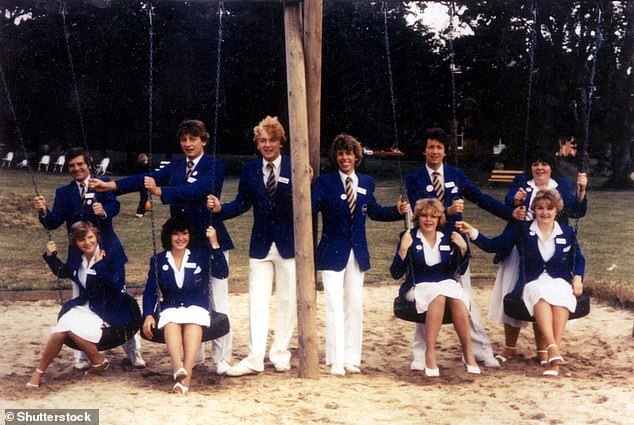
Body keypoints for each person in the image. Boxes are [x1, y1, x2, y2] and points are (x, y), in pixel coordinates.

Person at [90, 120, 233, 375]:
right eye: (184, 140)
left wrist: (162, 192)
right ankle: (194, 356)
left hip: (209, 238)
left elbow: (198, 190)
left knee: (217, 300)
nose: (188, 144)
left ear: (203, 140)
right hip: (183, 240)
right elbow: (146, 179)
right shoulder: (177, 165)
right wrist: (110, 186)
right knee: (189, 296)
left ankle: (221, 359)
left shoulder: (215, 166)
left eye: (193, 139)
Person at [405, 127, 521, 369]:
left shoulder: (456, 175)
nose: (434, 152)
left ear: (445, 151)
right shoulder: (414, 178)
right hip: (426, 245)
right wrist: (446, 211)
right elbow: (419, 211)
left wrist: (510, 214)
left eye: (439, 147)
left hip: (454, 247)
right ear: (424, 151)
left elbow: (481, 198)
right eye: (430, 147)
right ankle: (421, 353)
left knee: (464, 297)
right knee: (425, 297)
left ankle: (479, 350)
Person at [33, 147, 144, 369]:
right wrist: (43, 210)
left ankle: (134, 352)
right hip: (79, 258)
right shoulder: (64, 193)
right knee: (81, 303)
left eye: (80, 164)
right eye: (72, 166)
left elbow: (115, 207)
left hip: (108, 254)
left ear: (88, 165)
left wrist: (103, 210)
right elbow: (53, 221)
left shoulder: (102, 183)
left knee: (117, 302)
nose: (76, 169)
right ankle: (82, 357)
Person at [457, 189, 585, 376]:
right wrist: (473, 232)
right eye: (540, 208)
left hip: (558, 280)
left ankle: (553, 359)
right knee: (539, 294)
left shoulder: (566, 232)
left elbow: (578, 259)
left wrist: (578, 278)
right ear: (534, 210)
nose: (545, 213)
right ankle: (553, 349)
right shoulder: (523, 229)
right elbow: (494, 245)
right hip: (532, 282)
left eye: (549, 209)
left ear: (557, 210)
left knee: (561, 299)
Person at [312, 134, 408, 376]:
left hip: (358, 253)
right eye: (341, 154)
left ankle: (352, 357)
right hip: (332, 252)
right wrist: (307, 183)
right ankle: (335, 359)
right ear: (336, 157)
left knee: (353, 305)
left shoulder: (366, 181)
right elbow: (310, 208)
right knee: (334, 305)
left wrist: (397, 211)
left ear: (357, 156)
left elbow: (374, 211)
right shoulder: (324, 183)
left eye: (349, 154)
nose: (345, 158)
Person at [207, 116, 296, 376]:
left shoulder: (295, 165)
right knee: (257, 302)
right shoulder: (250, 169)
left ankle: (280, 353)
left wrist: (309, 179)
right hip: (260, 246)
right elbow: (242, 202)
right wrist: (221, 209)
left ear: (281, 142)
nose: (268, 145)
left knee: (287, 300)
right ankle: (255, 357)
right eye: (262, 141)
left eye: (272, 140)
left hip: (289, 246)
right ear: (257, 144)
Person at [491, 149, 588, 365]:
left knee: (545, 291)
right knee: (514, 293)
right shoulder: (522, 182)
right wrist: (515, 200)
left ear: (551, 167)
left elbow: (575, 211)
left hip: (551, 245)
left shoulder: (560, 185)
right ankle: (510, 347)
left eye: (544, 163)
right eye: (535, 164)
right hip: (522, 244)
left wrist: (581, 192)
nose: (539, 168)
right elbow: (509, 203)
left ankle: (543, 349)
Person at [27, 222, 132, 387]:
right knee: (58, 332)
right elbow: (64, 272)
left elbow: (116, 286)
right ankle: (39, 372)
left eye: (90, 237)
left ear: (96, 237)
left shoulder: (109, 256)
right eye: (81, 239)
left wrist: (100, 265)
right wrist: (51, 256)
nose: (87, 242)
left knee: (67, 325)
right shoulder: (79, 258)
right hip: (85, 306)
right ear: (76, 242)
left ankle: (97, 359)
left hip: (106, 309)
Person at [390, 199, 480, 377]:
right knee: (438, 296)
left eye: (433, 216)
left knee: (458, 298)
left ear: (440, 219)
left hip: (446, 282)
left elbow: (459, 270)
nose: (428, 220)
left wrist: (463, 249)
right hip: (420, 284)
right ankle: (429, 353)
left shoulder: (447, 237)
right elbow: (395, 273)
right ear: (417, 218)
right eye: (424, 215)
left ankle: (468, 352)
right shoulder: (408, 236)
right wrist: (402, 250)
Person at [142, 218, 228, 394]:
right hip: (171, 307)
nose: (181, 238)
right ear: (169, 236)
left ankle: (185, 377)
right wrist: (148, 314)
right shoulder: (159, 260)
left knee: (194, 322)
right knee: (171, 322)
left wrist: (214, 242)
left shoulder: (200, 256)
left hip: (196, 305)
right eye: (176, 234)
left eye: (184, 233)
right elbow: (150, 290)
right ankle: (178, 367)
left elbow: (222, 272)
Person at [134, 153, 150, 218]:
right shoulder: (143, 166)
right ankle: (139, 212)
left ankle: (141, 211)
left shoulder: (139, 166)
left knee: (144, 197)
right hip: (143, 183)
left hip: (142, 182)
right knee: (144, 197)